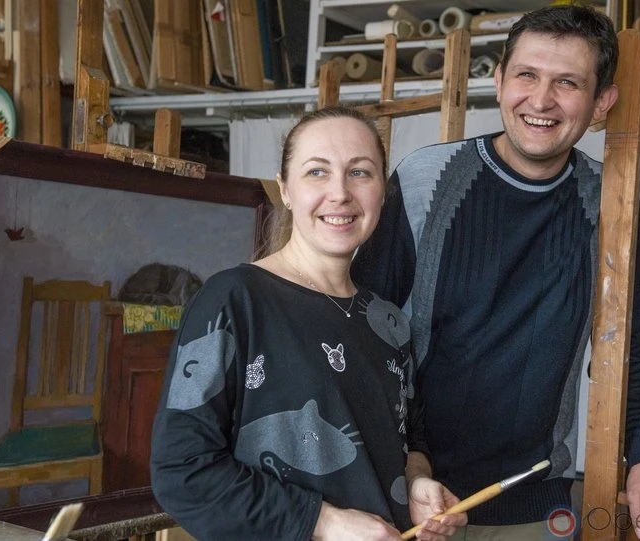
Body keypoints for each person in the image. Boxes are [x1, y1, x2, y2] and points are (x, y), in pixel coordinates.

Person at [351, 6, 640, 540]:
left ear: (602, 103)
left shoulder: (610, 202)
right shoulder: (424, 181)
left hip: (531, 504)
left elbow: (627, 346)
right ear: (499, 80)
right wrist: (402, 470)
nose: (541, 99)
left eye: (568, 83)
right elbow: (361, 336)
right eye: (527, 75)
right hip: (409, 498)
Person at [150, 106, 468, 541]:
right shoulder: (233, 300)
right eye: (317, 172)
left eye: (360, 173)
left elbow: (411, 439)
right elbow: (182, 472)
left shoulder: (389, 321)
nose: (340, 193)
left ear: (382, 192)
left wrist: (417, 483)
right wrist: (325, 521)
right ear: (285, 189)